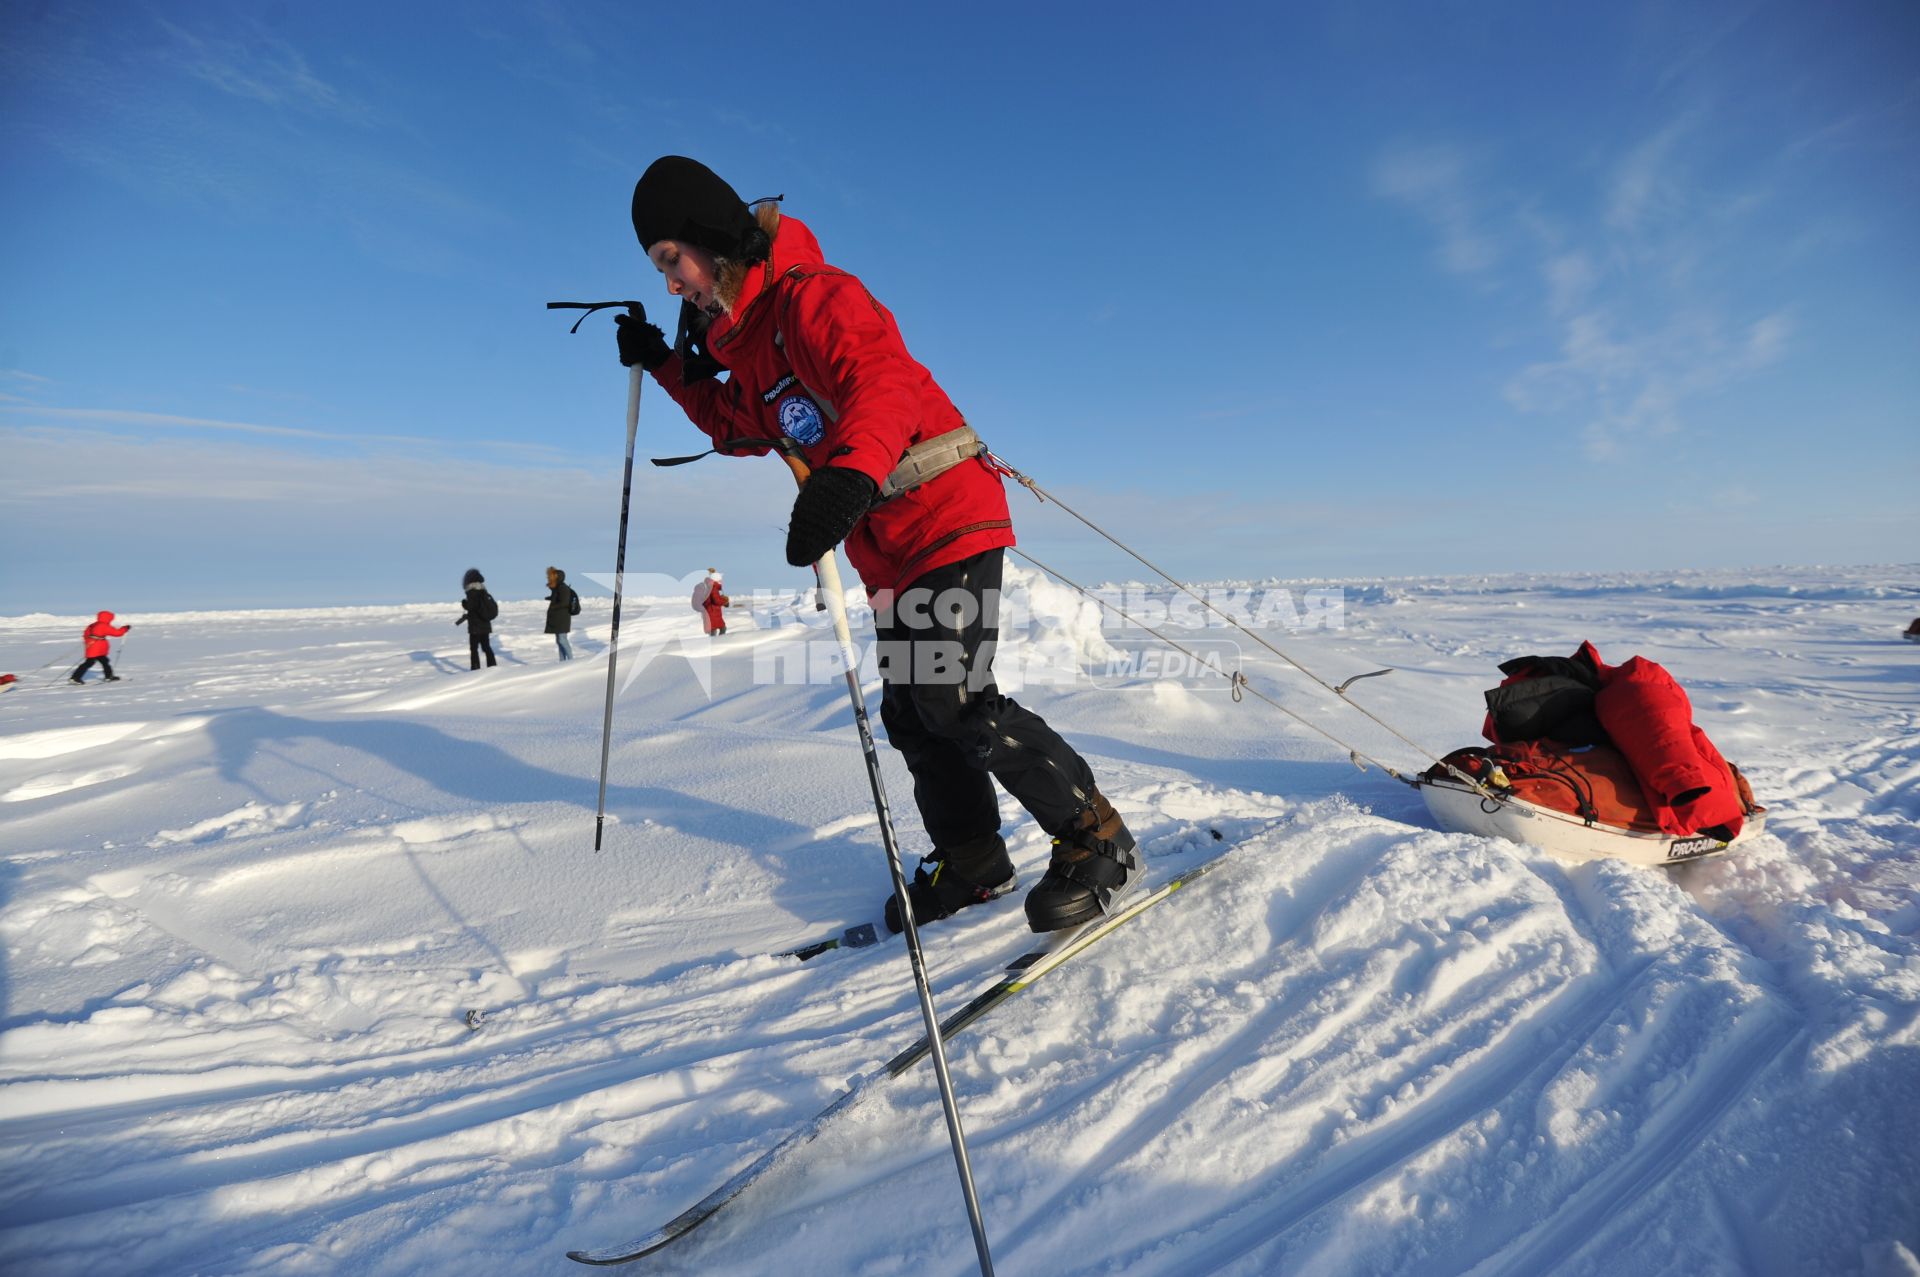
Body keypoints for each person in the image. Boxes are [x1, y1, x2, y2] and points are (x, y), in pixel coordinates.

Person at [617, 155, 1137, 935]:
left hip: (944, 511)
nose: (671, 284)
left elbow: (880, 384)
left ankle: (1097, 835)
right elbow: (736, 425)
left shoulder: (818, 296)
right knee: (912, 711)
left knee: (955, 697)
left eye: (671, 261)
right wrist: (663, 363)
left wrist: (848, 474)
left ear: (708, 239)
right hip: (885, 546)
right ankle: (973, 858)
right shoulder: (750, 343)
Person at [69, 610, 130, 684]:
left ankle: (109, 676)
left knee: (104, 661)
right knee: (90, 662)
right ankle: (75, 678)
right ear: (108, 618)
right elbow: (117, 633)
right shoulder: (103, 625)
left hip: (93, 646)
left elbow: (86, 634)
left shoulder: (93, 624)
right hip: (97, 648)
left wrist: (89, 642)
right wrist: (125, 628)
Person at [456, 568, 499, 670]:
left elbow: (471, 606)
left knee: (474, 648)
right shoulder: (483, 591)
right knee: (486, 647)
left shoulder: (472, 592)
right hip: (485, 625)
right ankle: (492, 667)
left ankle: (475, 669)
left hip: (475, 626)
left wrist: (464, 603)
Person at [545, 566, 580, 659]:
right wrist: (551, 598)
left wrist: (553, 605)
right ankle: (563, 662)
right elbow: (560, 599)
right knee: (559, 640)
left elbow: (564, 602)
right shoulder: (557, 588)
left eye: (552, 576)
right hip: (558, 618)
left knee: (562, 639)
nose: (549, 577)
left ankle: (571, 660)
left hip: (562, 618)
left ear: (558, 577)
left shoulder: (562, 587)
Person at [692, 568, 730, 636]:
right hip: (712, 612)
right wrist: (725, 601)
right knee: (719, 629)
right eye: (720, 580)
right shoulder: (713, 587)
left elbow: (715, 598)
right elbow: (716, 600)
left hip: (713, 612)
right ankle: (718, 642)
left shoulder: (711, 586)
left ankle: (717, 642)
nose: (721, 581)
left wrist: (723, 599)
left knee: (716, 629)